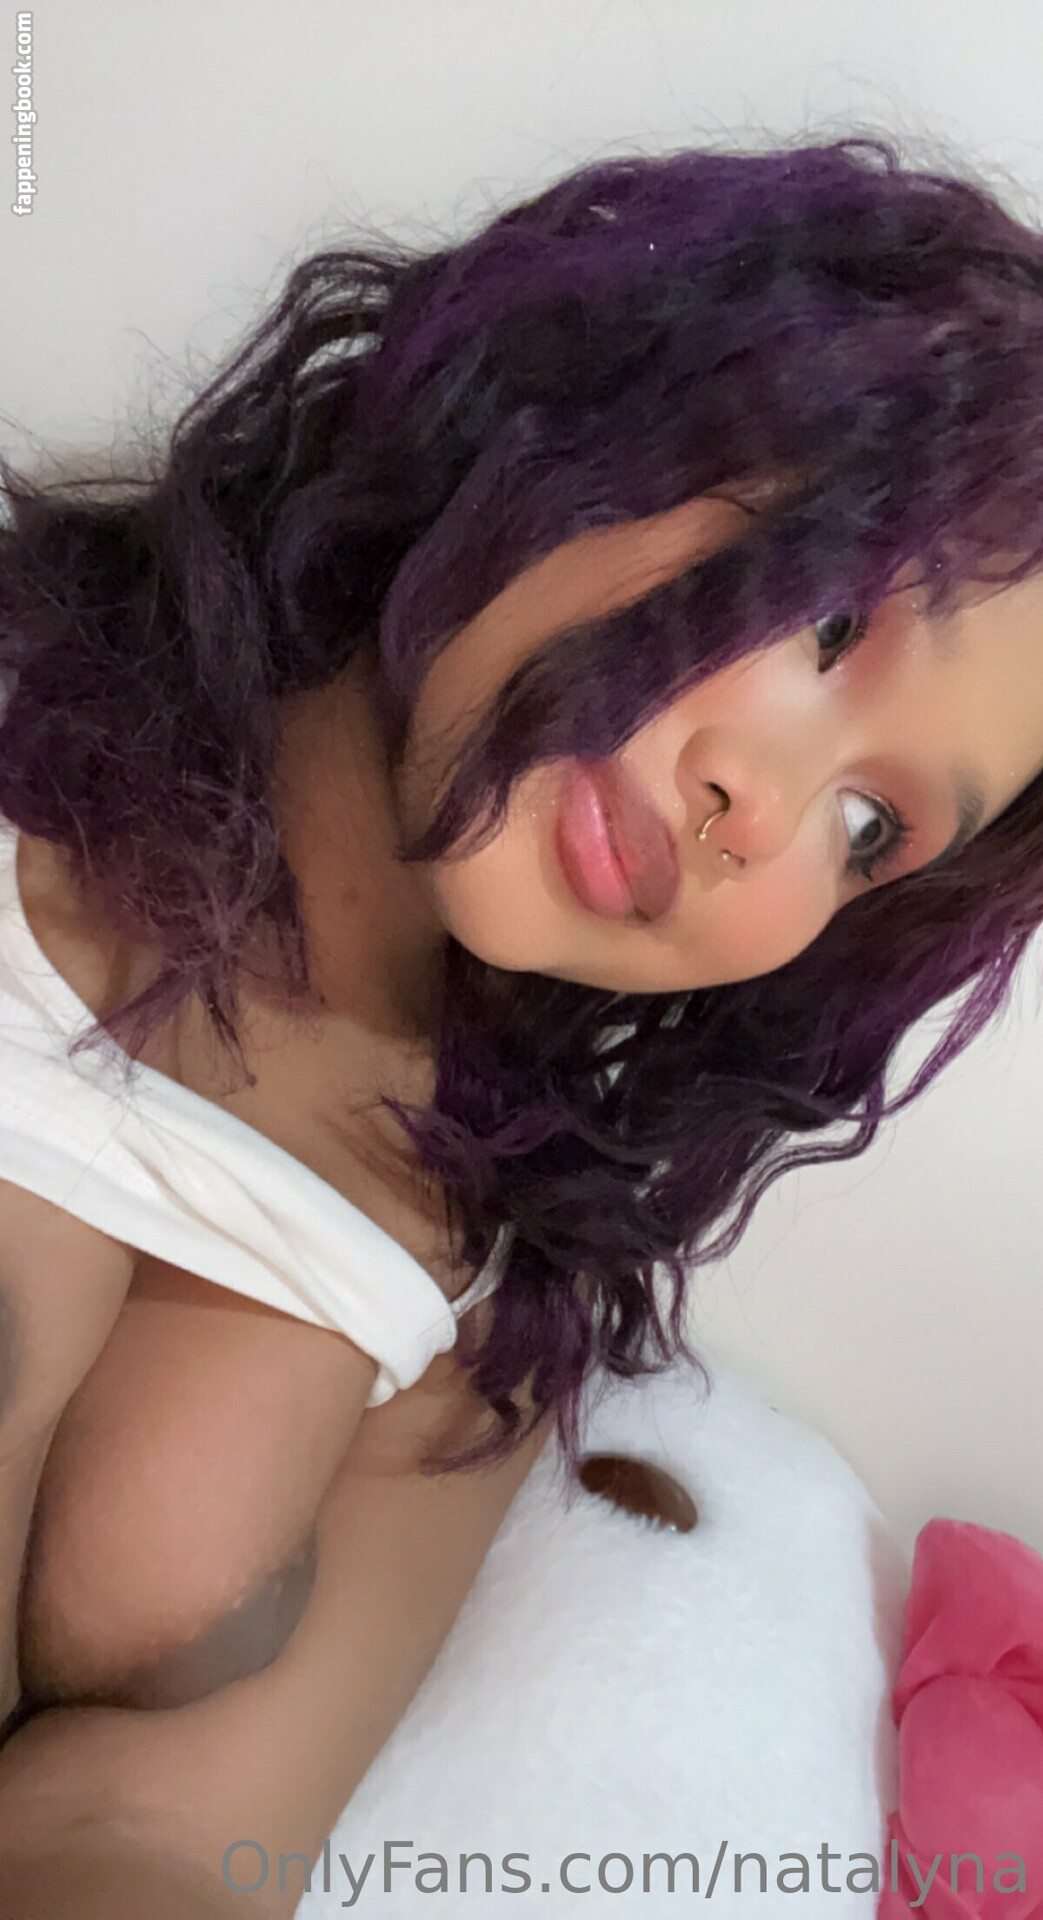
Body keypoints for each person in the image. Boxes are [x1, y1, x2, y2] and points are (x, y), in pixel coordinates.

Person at [2, 131, 1043, 1915]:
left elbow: (159, 1843)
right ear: (614, 391)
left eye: (874, 825)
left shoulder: (488, 1279)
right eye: (827, 614)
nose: (763, 810)